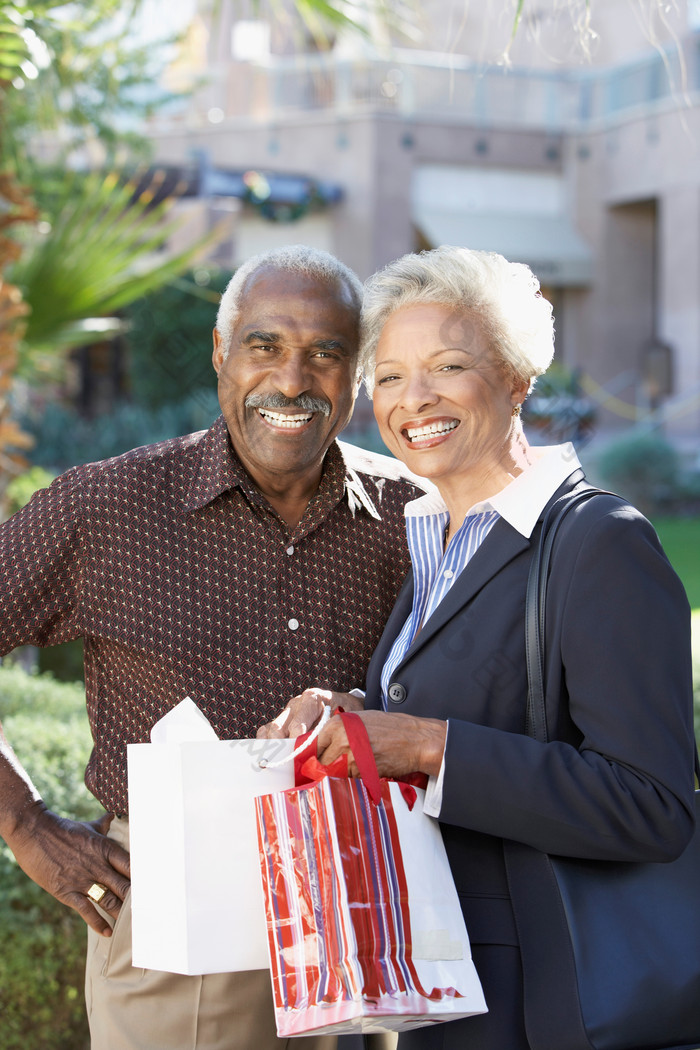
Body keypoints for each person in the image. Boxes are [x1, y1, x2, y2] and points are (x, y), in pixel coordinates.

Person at [258, 246, 697, 1050]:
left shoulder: (599, 542)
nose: (412, 399)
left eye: (448, 366)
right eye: (388, 377)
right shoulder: (431, 537)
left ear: (518, 378)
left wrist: (427, 745)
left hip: (536, 1003)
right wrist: (357, 717)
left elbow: (653, 805)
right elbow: (469, 699)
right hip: (427, 982)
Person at [0, 245, 429, 1050]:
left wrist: (366, 713)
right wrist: (24, 822)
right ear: (221, 353)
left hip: (365, 906)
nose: (293, 380)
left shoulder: (415, 514)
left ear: (357, 372)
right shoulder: (108, 506)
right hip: (181, 919)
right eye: (265, 346)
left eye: (326, 354)